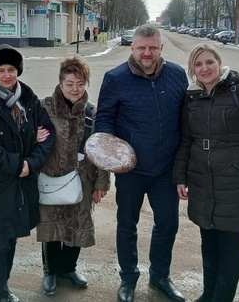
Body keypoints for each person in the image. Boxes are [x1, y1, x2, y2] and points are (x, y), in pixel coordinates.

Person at [173, 43, 239, 302]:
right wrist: (180, 176)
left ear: (219, 64)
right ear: (193, 71)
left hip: (237, 184)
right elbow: (186, 140)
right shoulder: (192, 99)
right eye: (198, 64)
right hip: (203, 184)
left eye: (209, 62)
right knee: (209, 246)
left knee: (230, 250)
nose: (205, 68)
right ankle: (208, 295)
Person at [95, 24, 188, 302]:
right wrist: (112, 157)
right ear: (132, 48)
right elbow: (104, 122)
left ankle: (160, 276)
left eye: (152, 47)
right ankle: (128, 278)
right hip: (131, 171)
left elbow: (186, 119)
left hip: (165, 170)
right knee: (127, 225)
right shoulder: (115, 78)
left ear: (161, 48)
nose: (146, 53)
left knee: (168, 223)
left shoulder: (176, 74)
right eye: (141, 48)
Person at [0, 44, 55, 302]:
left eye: (12, 69)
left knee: (12, 240)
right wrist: (20, 165)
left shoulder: (28, 100)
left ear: (18, 71)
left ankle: (2, 291)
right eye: (1, 70)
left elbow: (47, 137)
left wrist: (32, 164)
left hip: (22, 188)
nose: (7, 75)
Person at [37, 55, 110, 297]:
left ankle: (68, 268)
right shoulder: (44, 107)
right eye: (69, 83)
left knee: (76, 224)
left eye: (80, 83)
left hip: (83, 180)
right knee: (52, 225)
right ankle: (50, 271)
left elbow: (101, 149)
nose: (74, 89)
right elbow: (28, 140)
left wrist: (101, 182)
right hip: (51, 177)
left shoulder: (92, 113)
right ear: (60, 83)